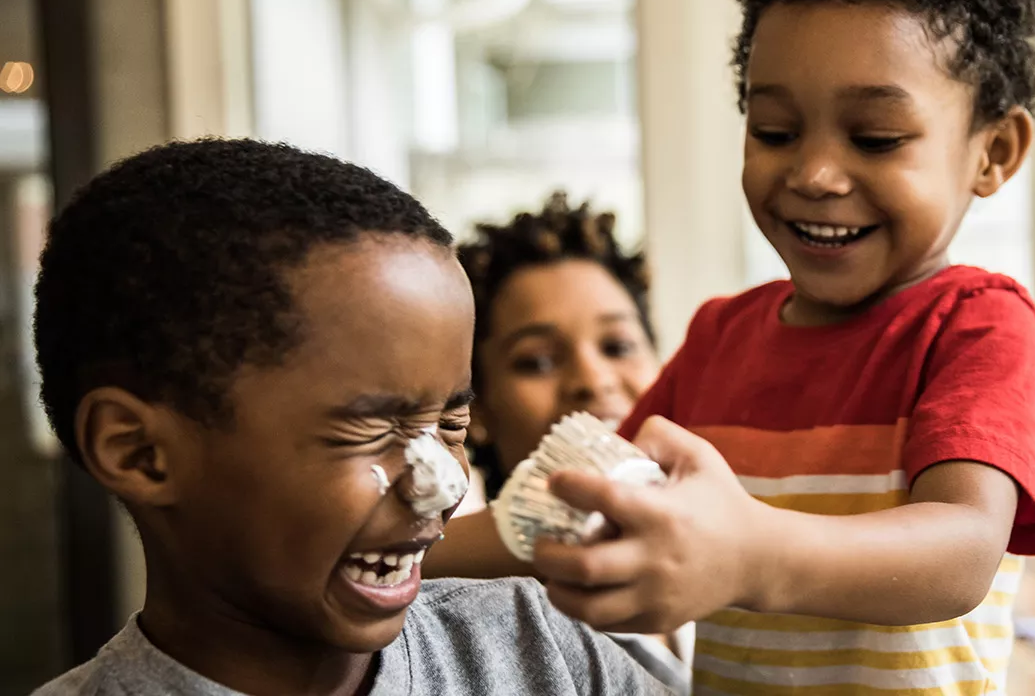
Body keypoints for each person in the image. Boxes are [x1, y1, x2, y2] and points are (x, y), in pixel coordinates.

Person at [524, 0, 1035, 693]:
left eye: (875, 139)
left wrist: (751, 556)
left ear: (994, 151)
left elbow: (961, 557)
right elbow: (572, 503)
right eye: (774, 131)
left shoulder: (977, 323)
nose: (814, 175)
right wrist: (409, 544)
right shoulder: (719, 338)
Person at [30, 139, 670, 695]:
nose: (444, 485)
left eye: (450, 425)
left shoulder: (544, 653)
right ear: (139, 453)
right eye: (373, 429)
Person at [420, 192, 691, 692]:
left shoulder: (721, 587)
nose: (592, 380)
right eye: (537, 361)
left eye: (617, 346)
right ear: (476, 409)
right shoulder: (473, 631)